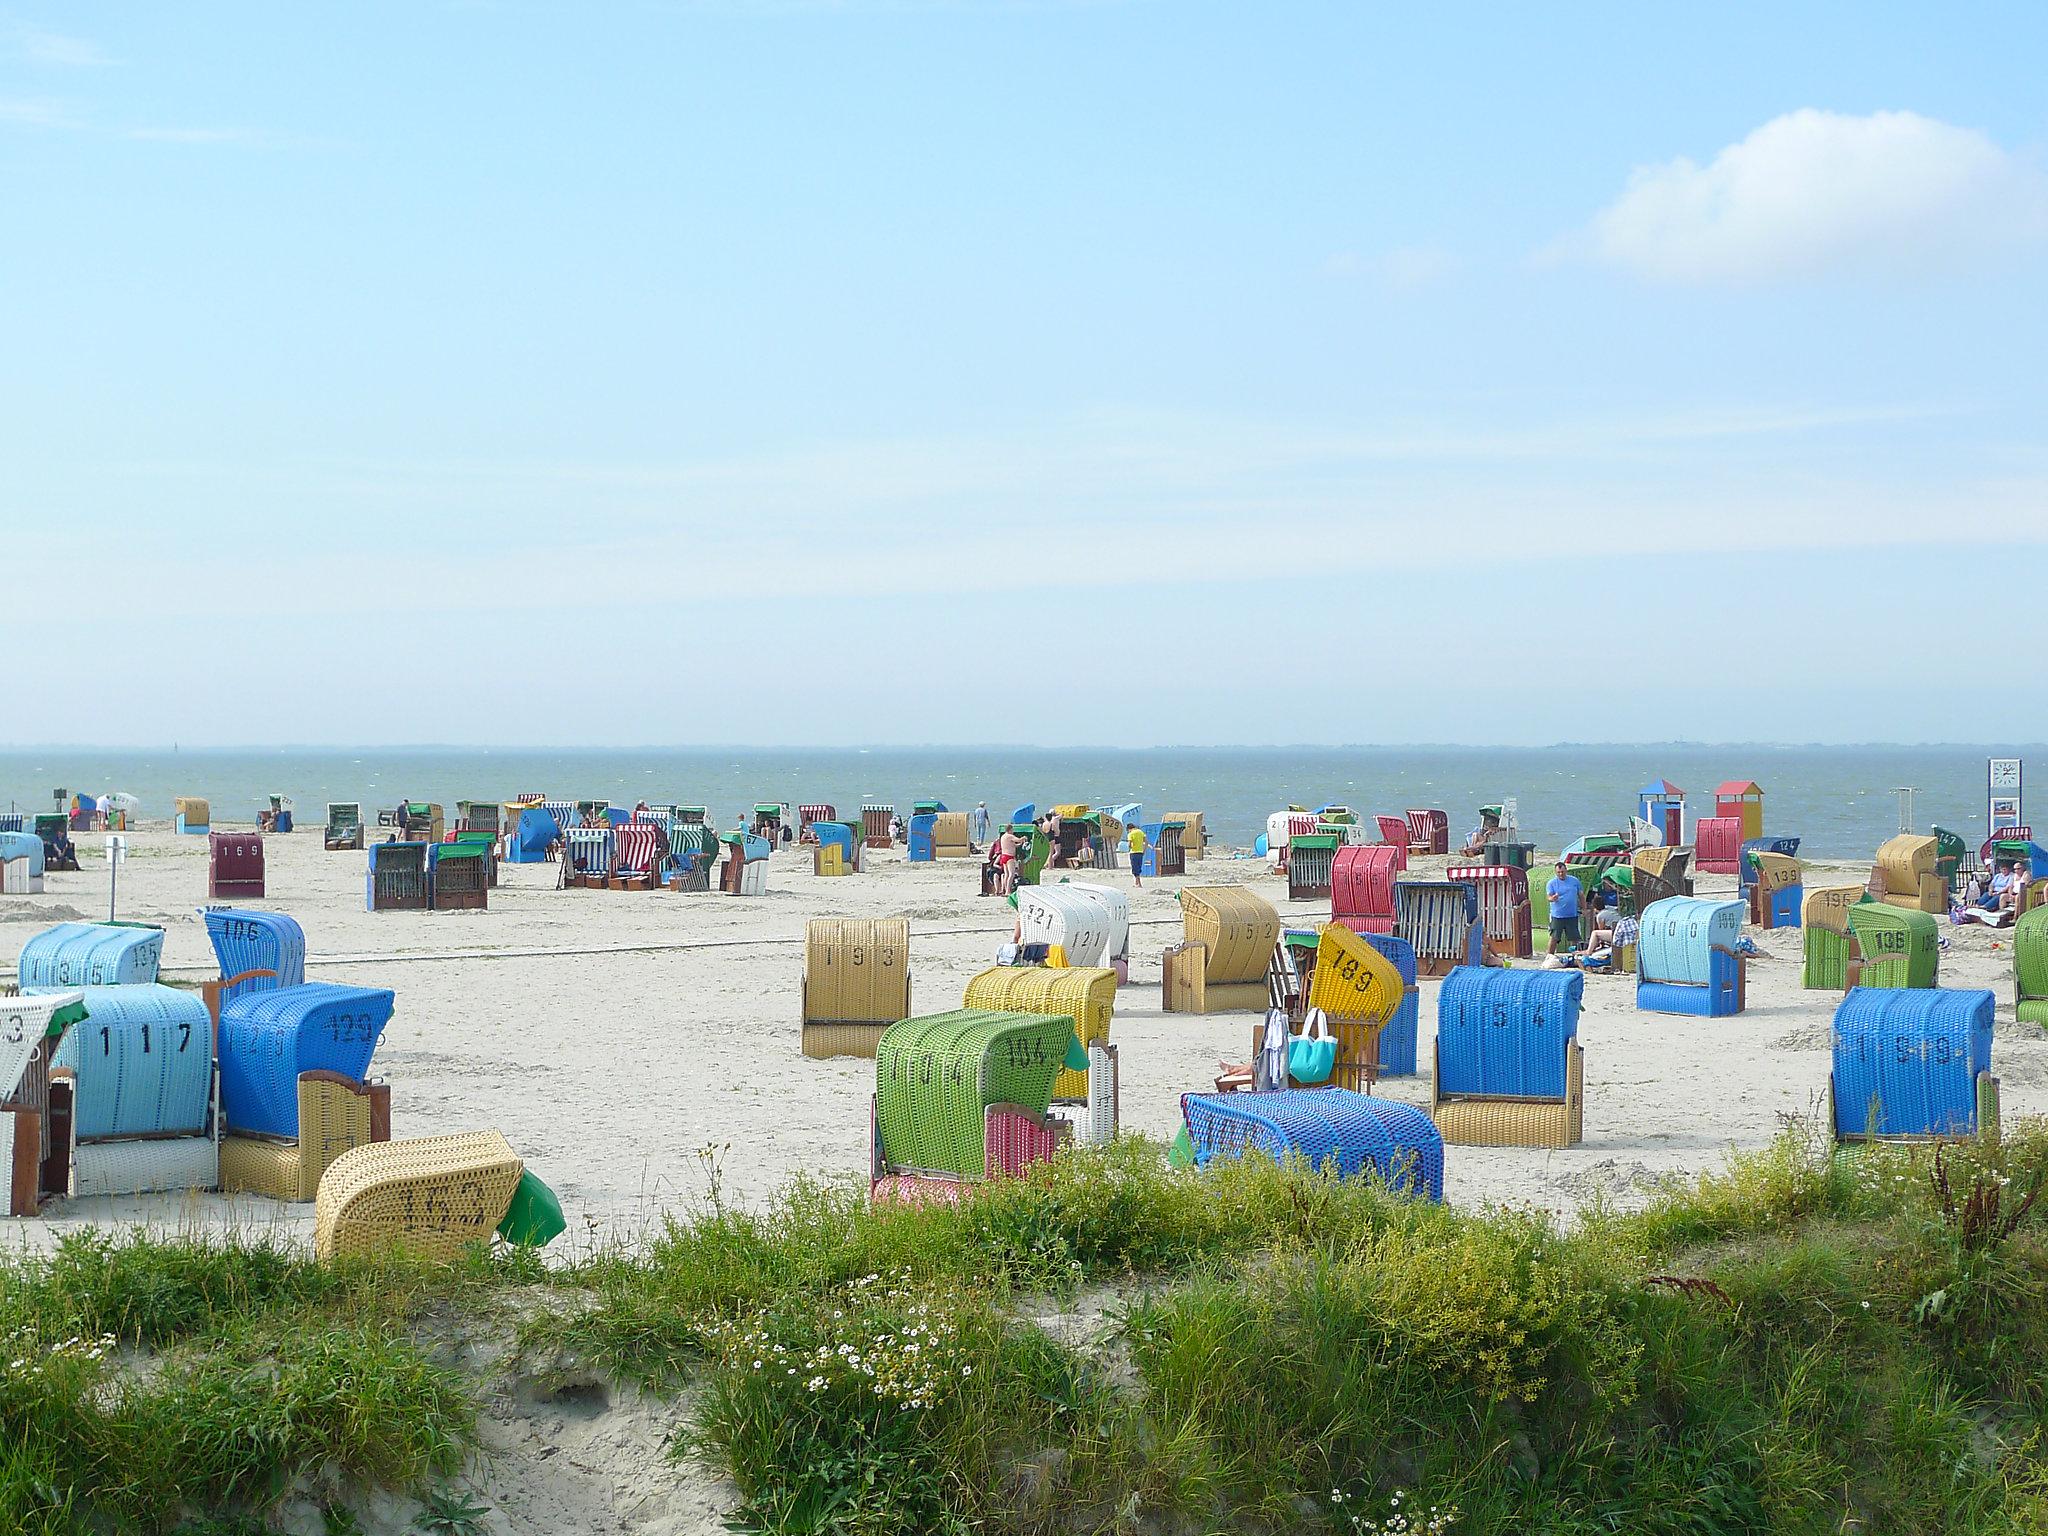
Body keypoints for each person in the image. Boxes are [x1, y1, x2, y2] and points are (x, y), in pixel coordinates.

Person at [1545, 860, 1582, 954]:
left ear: (1566, 870)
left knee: (1574, 938)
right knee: (1554, 937)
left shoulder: (1574, 881)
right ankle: (1549, 956)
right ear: (1556, 872)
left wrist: (1584, 908)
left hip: (1572, 914)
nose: (1561, 874)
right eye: (1558, 872)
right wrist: (1553, 898)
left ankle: (1575, 957)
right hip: (1558, 915)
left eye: (1562, 872)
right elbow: (1548, 897)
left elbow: (1581, 895)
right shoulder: (1551, 883)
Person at [1127, 820, 1148, 888]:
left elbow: (1129, 845)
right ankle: (1136, 882)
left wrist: (1130, 846)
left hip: (1134, 852)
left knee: (1135, 868)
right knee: (1139, 867)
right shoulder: (1140, 832)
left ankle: (1139, 884)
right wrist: (1144, 850)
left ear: (1129, 829)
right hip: (1140, 852)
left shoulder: (1131, 834)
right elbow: (1146, 842)